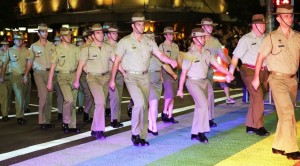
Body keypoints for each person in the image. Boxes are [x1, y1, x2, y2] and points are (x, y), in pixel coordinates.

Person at [109, 13, 177, 146]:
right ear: (133, 26)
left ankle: (142, 135)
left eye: (143, 24)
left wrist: (170, 61)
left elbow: (159, 55)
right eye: (139, 24)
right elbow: (116, 61)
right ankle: (135, 133)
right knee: (139, 104)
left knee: (145, 107)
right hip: (131, 77)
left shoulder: (149, 41)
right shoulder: (125, 42)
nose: (142, 26)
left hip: (145, 77)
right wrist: (112, 79)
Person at [252, 4, 300, 160]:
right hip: (277, 79)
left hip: (292, 80)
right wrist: (255, 78)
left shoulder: (297, 36)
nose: (290, 18)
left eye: (291, 15)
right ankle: (292, 149)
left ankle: (278, 145)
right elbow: (260, 58)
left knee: (285, 114)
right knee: (287, 112)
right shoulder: (271, 37)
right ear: (279, 18)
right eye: (286, 16)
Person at [177, 28, 234, 143]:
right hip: (193, 82)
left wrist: (228, 73)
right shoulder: (189, 54)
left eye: (203, 37)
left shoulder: (207, 52)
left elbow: (217, 65)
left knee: (200, 107)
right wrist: (180, 89)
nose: (203, 39)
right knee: (203, 105)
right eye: (201, 37)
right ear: (194, 39)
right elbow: (183, 73)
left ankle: (194, 132)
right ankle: (201, 133)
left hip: (204, 82)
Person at [229, 14, 270, 136]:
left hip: (264, 71)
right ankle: (259, 126)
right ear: (254, 25)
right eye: (261, 24)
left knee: (256, 99)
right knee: (258, 97)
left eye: (264, 24)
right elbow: (235, 57)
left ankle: (250, 125)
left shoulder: (267, 38)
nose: (263, 26)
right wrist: (230, 73)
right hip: (249, 71)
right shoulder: (246, 39)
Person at [74, 23, 112, 139]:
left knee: (101, 104)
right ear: (93, 35)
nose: (101, 35)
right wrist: (76, 80)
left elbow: (115, 61)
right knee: (100, 102)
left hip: (105, 78)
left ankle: (94, 129)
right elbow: (81, 65)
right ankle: (100, 130)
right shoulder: (87, 49)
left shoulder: (108, 47)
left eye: (101, 32)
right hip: (93, 79)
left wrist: (124, 73)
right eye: (98, 33)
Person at [198, 18, 230, 127]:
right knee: (202, 96)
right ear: (202, 27)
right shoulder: (198, 39)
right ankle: (203, 118)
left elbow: (222, 55)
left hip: (209, 72)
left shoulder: (215, 41)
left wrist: (232, 62)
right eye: (208, 26)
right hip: (198, 72)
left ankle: (209, 118)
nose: (210, 28)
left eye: (211, 26)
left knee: (210, 95)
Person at [47, 27, 80, 133]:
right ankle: (65, 122)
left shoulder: (75, 48)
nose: (69, 37)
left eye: (70, 35)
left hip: (73, 76)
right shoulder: (57, 49)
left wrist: (80, 78)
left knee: (73, 102)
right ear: (61, 37)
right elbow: (52, 67)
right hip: (62, 77)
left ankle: (72, 125)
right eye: (66, 35)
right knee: (69, 99)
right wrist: (49, 82)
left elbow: (80, 64)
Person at [1, 33, 33, 125]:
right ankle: (11, 115)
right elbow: (4, 64)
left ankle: (19, 116)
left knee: (21, 96)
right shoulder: (10, 51)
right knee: (14, 96)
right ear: (14, 41)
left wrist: (26, 75)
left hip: (22, 76)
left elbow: (29, 64)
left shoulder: (27, 51)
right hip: (13, 75)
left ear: (23, 41)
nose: (19, 41)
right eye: (17, 40)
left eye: (21, 40)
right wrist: (2, 77)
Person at [28, 23, 55, 129]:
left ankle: (47, 121)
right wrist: (26, 74)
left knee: (49, 97)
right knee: (43, 95)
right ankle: (42, 121)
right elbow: (30, 61)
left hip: (50, 73)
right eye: (43, 31)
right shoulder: (33, 46)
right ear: (39, 33)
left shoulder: (52, 45)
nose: (45, 33)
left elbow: (55, 61)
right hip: (38, 73)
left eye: (46, 31)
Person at [159, 26, 180, 123]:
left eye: (173, 34)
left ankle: (170, 115)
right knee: (169, 94)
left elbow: (179, 59)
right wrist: (161, 76)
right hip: (166, 72)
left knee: (172, 95)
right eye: (170, 34)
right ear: (166, 36)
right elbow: (161, 63)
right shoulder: (161, 46)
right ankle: (164, 112)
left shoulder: (175, 46)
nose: (172, 36)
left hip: (175, 71)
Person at [106, 25, 125, 128]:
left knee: (119, 97)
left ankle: (116, 119)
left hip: (119, 74)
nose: (116, 35)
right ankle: (114, 120)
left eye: (117, 33)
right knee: (114, 97)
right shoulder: (105, 46)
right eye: (113, 33)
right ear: (108, 34)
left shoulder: (119, 45)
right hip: (109, 73)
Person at [146, 31, 162, 136]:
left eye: (153, 37)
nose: (152, 38)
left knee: (153, 105)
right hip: (148, 78)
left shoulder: (157, 50)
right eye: (149, 37)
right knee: (154, 103)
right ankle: (153, 125)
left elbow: (161, 64)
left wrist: (161, 77)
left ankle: (150, 124)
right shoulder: (144, 51)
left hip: (157, 78)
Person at [77, 30, 95, 123]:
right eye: (91, 36)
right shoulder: (81, 48)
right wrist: (88, 72)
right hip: (84, 75)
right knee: (88, 93)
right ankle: (86, 111)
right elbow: (81, 63)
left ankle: (91, 115)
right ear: (86, 38)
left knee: (93, 94)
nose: (93, 37)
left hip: (94, 74)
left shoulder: (94, 46)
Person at [0, 40, 12, 122]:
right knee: (4, 95)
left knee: (9, 95)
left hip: (10, 76)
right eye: (4, 45)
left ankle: (6, 111)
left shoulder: (11, 53)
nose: (6, 47)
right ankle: (5, 114)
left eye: (7, 45)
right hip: (1, 76)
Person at [53, 35, 64, 121]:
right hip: (56, 74)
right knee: (60, 94)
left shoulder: (64, 50)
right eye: (56, 41)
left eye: (58, 41)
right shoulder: (53, 51)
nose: (57, 43)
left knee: (66, 94)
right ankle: (60, 112)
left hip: (64, 74)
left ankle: (65, 112)